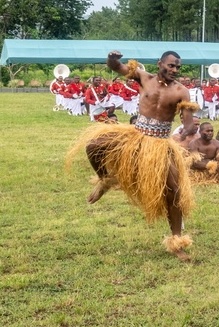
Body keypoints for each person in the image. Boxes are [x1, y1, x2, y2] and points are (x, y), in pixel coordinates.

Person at [66, 50, 198, 261]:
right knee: (94, 146)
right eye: (171, 65)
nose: (175, 70)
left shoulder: (181, 91)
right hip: (136, 137)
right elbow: (116, 67)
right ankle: (105, 180)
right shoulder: (144, 78)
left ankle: (176, 242)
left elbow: (188, 120)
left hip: (161, 145)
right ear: (160, 64)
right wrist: (112, 59)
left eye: (178, 67)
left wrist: (188, 128)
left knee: (173, 192)